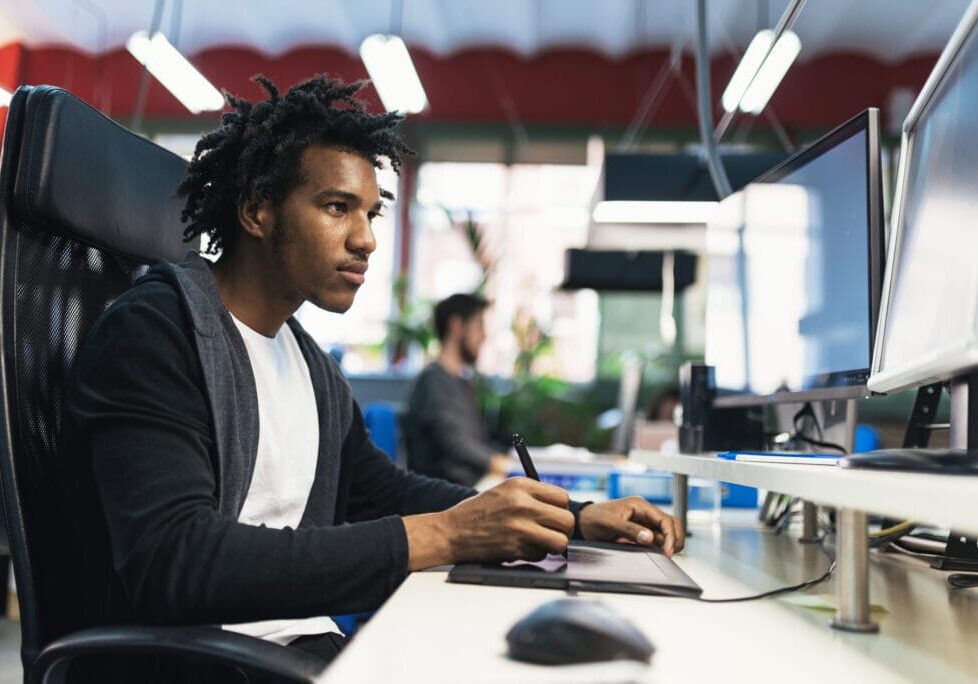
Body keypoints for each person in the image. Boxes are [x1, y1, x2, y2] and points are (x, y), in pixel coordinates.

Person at [60, 74, 684, 681]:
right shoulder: (156, 332)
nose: (366, 241)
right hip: (205, 662)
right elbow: (175, 562)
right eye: (336, 208)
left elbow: (385, 494)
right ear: (256, 210)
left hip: (299, 649)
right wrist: (442, 535)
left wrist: (573, 517)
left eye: (371, 214)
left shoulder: (307, 363)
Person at [404, 293, 511, 486]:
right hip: (447, 494)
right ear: (457, 326)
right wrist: (504, 465)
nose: (485, 335)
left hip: (470, 486)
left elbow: (477, 441)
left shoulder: (460, 382)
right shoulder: (432, 382)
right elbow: (454, 444)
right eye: (479, 325)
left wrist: (512, 459)